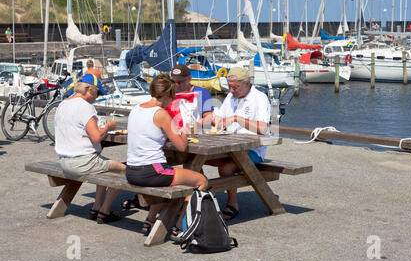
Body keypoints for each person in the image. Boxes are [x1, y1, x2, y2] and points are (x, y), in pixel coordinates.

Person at [120, 63, 213, 210]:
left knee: (184, 174)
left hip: (132, 170)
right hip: (152, 171)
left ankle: (152, 219)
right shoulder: (161, 114)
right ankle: (182, 223)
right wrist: (183, 127)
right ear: (167, 95)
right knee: (201, 180)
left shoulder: (136, 109)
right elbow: (182, 146)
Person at [54, 73, 126, 224]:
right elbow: (97, 138)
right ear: (91, 90)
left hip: (65, 161)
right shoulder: (86, 107)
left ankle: (96, 206)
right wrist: (108, 126)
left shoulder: (63, 104)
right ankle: (104, 212)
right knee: (124, 170)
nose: (97, 97)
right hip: (83, 162)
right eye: (98, 93)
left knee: (104, 165)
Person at [208, 67, 271, 220]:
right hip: (230, 145)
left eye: (235, 87)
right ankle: (201, 198)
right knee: (196, 159)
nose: (231, 90)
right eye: (229, 86)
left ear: (247, 83)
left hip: (253, 150)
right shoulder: (230, 97)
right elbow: (220, 117)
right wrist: (215, 120)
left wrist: (236, 119)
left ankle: (232, 204)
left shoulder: (260, 98)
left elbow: (263, 128)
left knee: (226, 167)